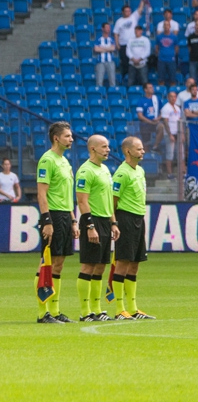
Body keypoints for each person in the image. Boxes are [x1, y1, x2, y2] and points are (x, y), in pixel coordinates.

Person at [74, 134, 117, 322]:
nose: (108, 150)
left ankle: (97, 310)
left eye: (108, 146)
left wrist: (113, 222)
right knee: (88, 265)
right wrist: (90, 226)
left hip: (105, 221)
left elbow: (107, 198)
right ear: (93, 149)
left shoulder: (105, 169)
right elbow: (82, 201)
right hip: (92, 221)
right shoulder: (85, 171)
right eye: (104, 147)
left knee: (100, 267)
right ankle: (85, 312)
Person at [35, 121, 75, 323]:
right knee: (47, 263)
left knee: (59, 263)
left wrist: (73, 220)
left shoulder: (65, 161)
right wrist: (47, 220)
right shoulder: (47, 160)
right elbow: (42, 194)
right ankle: (43, 313)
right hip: (53, 215)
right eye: (67, 136)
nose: (71, 139)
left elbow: (67, 194)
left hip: (65, 216)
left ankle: (55, 310)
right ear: (56, 138)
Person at [110, 136, 152, 319]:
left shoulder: (140, 171)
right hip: (125, 218)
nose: (143, 151)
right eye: (139, 149)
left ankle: (133, 308)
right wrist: (114, 222)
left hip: (138, 219)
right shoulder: (121, 173)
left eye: (142, 148)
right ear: (128, 151)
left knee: (135, 264)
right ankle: (120, 309)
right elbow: (113, 200)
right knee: (123, 262)